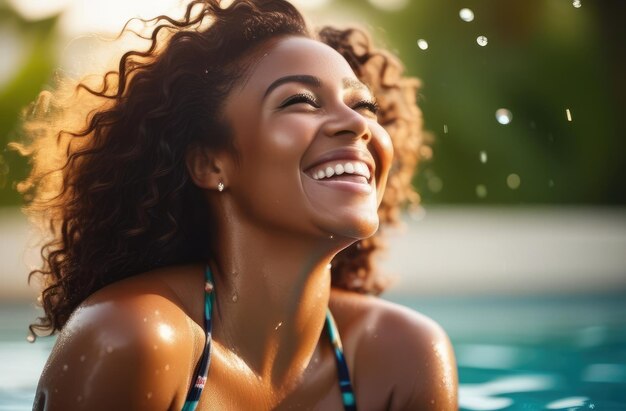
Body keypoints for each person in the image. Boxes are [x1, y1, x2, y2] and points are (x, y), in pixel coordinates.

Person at [17, 0, 457, 409]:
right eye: (300, 101)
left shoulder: (402, 356)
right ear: (211, 163)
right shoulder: (134, 339)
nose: (357, 124)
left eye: (363, 105)